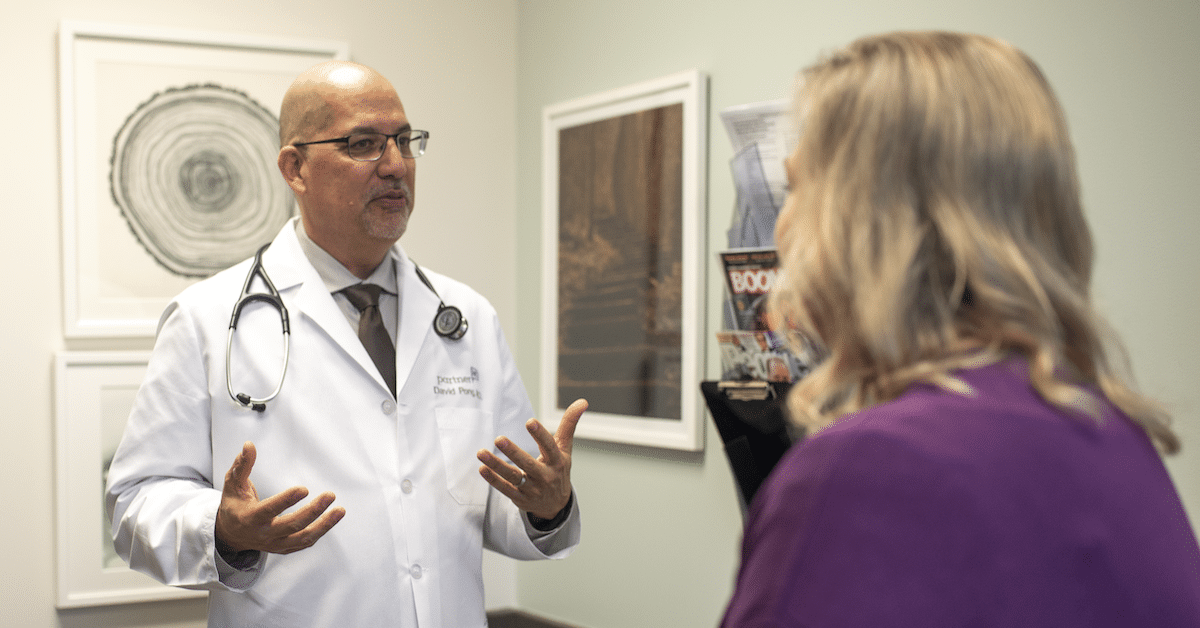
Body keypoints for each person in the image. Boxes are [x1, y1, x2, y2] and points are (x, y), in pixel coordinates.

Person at [722, 32, 1200, 627]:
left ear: (868, 219)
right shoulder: (1113, 432)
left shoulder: (869, 470)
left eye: (795, 187)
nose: (781, 225)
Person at [106, 60, 586, 628]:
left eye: (405, 142)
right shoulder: (208, 319)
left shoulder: (466, 318)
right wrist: (222, 527)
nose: (395, 166)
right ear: (295, 167)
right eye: (363, 144)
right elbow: (134, 505)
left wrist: (547, 505)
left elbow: (496, 508)